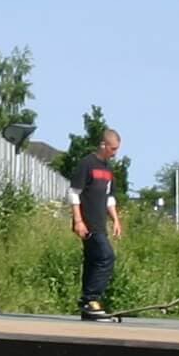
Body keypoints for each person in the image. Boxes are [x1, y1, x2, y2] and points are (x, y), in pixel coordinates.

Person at [70, 127, 123, 320]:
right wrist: (78, 221)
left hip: (100, 223)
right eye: (112, 149)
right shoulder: (87, 164)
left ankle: (88, 306)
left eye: (117, 149)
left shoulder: (108, 169)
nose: (115, 153)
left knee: (93, 261)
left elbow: (110, 197)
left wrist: (115, 220)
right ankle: (91, 299)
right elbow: (74, 192)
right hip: (87, 222)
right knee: (106, 257)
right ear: (103, 145)